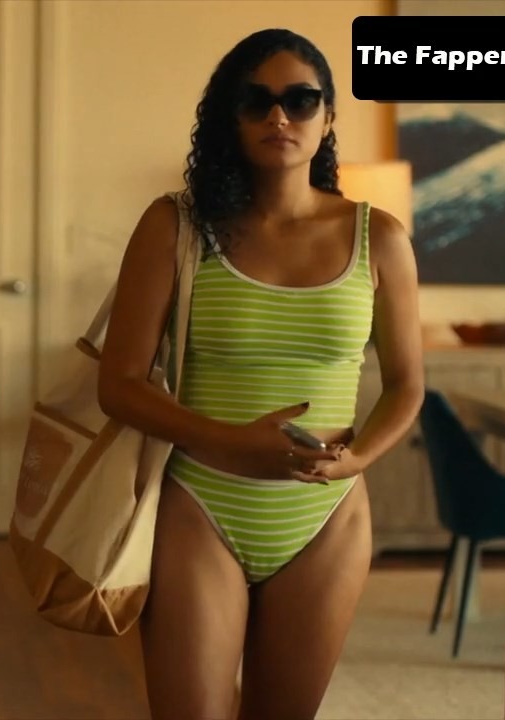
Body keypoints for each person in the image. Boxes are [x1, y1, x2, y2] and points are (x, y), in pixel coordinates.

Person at [97, 29, 424, 719]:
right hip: (200, 501)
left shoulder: (381, 238)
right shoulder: (176, 226)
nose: (280, 116)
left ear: (327, 118)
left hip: (327, 515)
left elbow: (406, 385)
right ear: (232, 116)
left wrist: (358, 457)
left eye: (301, 100)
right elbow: (117, 382)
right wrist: (228, 440)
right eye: (258, 101)